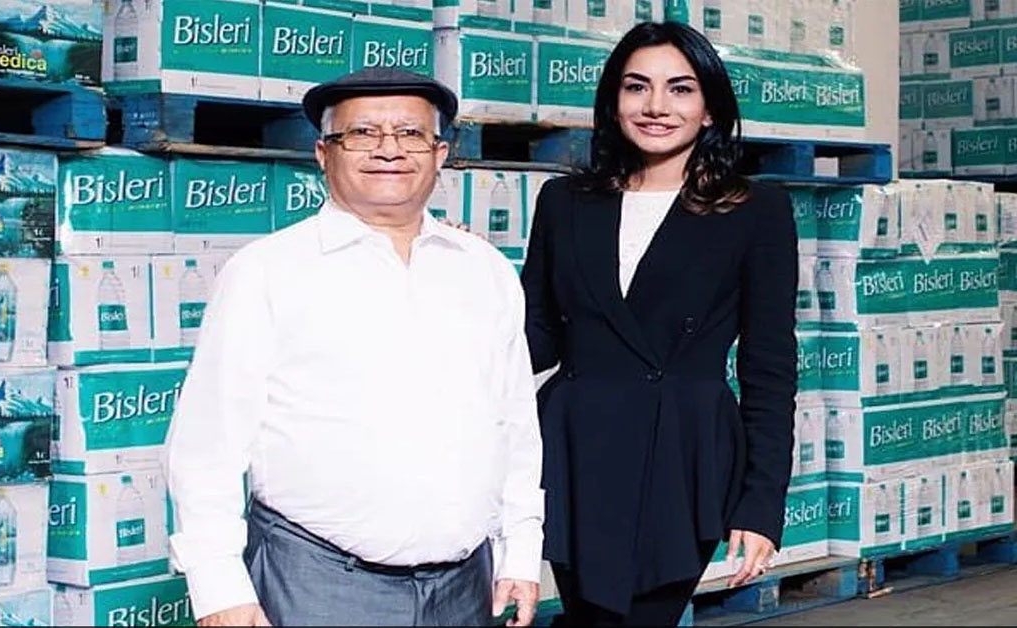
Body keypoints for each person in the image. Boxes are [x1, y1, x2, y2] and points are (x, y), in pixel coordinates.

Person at [164, 67, 544, 628]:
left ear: (440, 153)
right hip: (317, 585)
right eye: (363, 133)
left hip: (464, 589)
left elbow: (514, 422)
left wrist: (521, 548)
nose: (389, 149)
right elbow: (208, 443)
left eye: (411, 133)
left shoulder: (484, 270)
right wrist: (218, 586)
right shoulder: (267, 271)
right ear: (323, 153)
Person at [522, 22, 799, 627]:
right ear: (613, 101)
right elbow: (535, 332)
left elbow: (769, 368)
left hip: (683, 453)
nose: (655, 106)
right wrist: (464, 285)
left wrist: (761, 505)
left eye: (680, 89)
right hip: (575, 447)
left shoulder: (756, 210)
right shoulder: (564, 202)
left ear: (709, 108)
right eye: (636, 87)